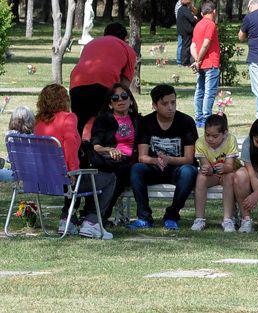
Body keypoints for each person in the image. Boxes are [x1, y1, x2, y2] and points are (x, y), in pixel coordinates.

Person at [33, 84, 117, 239]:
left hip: (43, 180)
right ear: (64, 100)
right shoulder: (68, 118)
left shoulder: (38, 123)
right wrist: (73, 170)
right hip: (64, 179)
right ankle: (91, 222)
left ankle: (67, 219)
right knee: (108, 178)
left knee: (83, 177)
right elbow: (70, 146)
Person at [129, 84, 198, 230]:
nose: (170, 107)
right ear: (154, 105)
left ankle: (172, 215)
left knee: (189, 171)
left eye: (173, 102)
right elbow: (142, 157)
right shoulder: (146, 123)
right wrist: (156, 160)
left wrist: (168, 159)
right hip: (154, 168)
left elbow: (189, 159)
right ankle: (144, 217)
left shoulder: (186, 122)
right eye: (165, 103)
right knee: (137, 169)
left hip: (177, 169)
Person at [69, 22, 136, 136]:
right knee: (104, 122)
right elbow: (124, 85)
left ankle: (79, 150)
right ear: (125, 38)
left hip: (76, 83)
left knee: (79, 123)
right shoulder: (127, 49)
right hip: (103, 85)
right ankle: (102, 149)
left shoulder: (90, 43)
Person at [89, 83, 143, 224]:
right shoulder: (103, 120)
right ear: (110, 104)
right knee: (117, 174)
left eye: (124, 96)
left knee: (123, 172)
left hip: (132, 163)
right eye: (115, 98)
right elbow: (95, 146)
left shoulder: (138, 120)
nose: (121, 100)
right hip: (111, 162)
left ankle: (99, 216)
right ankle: (98, 216)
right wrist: (110, 149)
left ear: (131, 100)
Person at [191, 114, 241, 232]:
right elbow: (205, 165)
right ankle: (199, 219)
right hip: (213, 174)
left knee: (229, 177)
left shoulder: (230, 140)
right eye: (207, 135)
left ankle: (228, 219)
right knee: (201, 178)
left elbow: (230, 166)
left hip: (229, 173)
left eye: (215, 136)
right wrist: (207, 169)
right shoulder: (200, 143)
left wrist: (224, 167)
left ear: (224, 134)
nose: (210, 139)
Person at [191, 1, 221, 129]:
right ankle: (206, 118)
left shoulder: (198, 25)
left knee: (200, 91)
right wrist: (199, 60)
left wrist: (197, 59)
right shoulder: (211, 24)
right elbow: (206, 43)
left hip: (201, 63)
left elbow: (192, 45)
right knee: (209, 92)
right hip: (211, 62)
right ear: (213, 12)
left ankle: (198, 117)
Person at [0, 107, 36, 183]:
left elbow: (10, 161)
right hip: (36, 174)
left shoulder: (10, 136)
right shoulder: (36, 138)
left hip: (17, 175)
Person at [175, 0, 194, 65]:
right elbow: (191, 19)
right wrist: (194, 17)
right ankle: (184, 62)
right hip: (187, 31)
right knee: (186, 47)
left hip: (182, 30)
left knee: (183, 46)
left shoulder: (180, 9)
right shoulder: (185, 10)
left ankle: (183, 61)